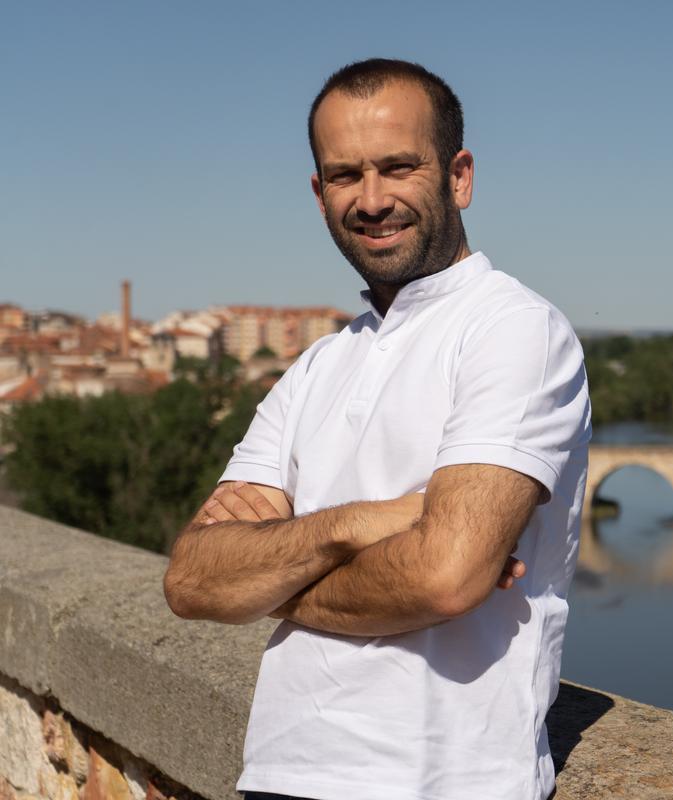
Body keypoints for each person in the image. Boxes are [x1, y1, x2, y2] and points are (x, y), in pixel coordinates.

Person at [163, 58, 591, 800]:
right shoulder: (319, 364)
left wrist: (271, 580)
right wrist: (371, 521)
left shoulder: (513, 330)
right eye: (343, 175)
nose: (371, 199)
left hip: (445, 783)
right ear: (317, 192)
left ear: (458, 176)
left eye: (398, 167)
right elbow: (192, 579)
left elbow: (445, 576)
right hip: (279, 775)